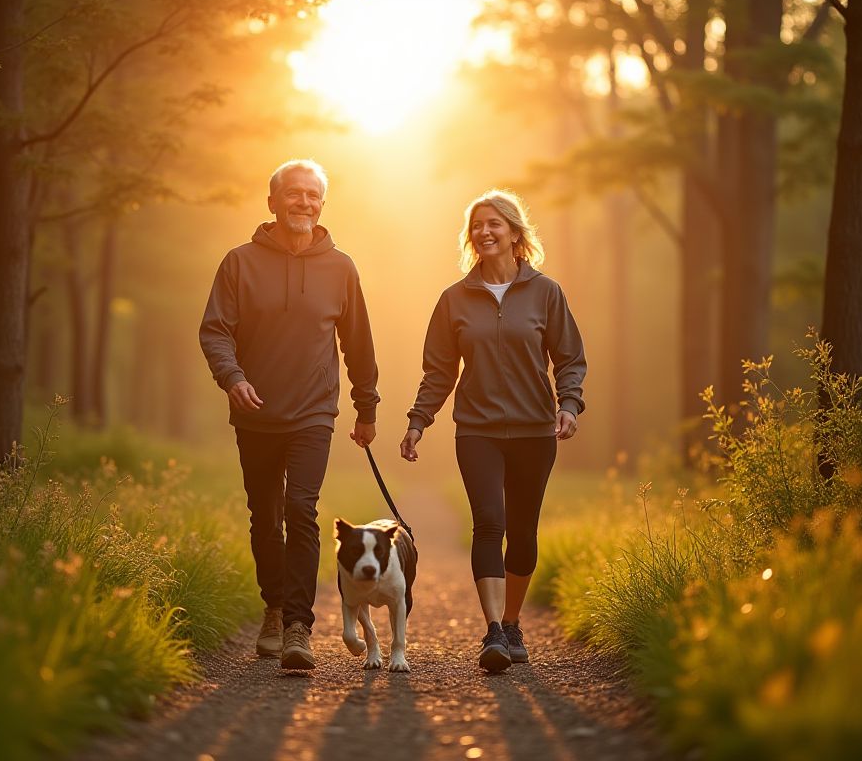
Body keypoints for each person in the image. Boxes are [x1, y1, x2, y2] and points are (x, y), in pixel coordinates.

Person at [200, 159, 380, 670]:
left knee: (302, 509)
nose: (304, 202)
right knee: (265, 515)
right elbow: (214, 329)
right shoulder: (239, 262)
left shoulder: (340, 267)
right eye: (294, 194)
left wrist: (366, 407)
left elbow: (358, 342)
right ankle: (274, 609)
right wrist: (233, 378)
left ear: (322, 203)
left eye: (313, 195)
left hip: (313, 411)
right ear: (273, 201)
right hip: (255, 412)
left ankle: (299, 625)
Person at [400, 189, 586, 673]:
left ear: (514, 233)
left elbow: (569, 358)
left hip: (534, 430)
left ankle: (513, 620)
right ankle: (494, 632)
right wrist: (419, 421)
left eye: (494, 224)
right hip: (477, 430)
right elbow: (439, 371)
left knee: (522, 531)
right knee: (490, 523)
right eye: (477, 225)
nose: (484, 232)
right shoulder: (454, 299)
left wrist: (568, 404)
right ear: (470, 236)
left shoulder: (546, 293)